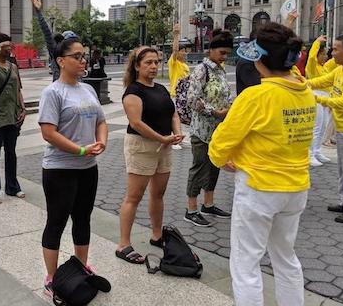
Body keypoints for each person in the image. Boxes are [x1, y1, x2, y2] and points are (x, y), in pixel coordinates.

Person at [208, 22, 316, 306]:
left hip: (259, 188)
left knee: (246, 264)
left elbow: (220, 142)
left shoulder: (255, 96)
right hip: (296, 189)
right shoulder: (305, 92)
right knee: (286, 257)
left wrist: (222, 159)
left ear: (258, 58)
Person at [38, 38, 108, 296]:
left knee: (83, 218)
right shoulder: (53, 92)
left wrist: (101, 141)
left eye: (84, 56)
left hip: (88, 167)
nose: (83, 60)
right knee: (56, 221)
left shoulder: (87, 89)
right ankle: (52, 277)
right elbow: (48, 132)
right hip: (60, 169)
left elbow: (101, 120)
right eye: (77, 56)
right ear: (60, 61)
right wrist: (79, 149)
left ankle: (81, 266)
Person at [115, 46, 184, 264]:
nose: (154, 66)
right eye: (148, 63)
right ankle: (123, 244)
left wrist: (177, 132)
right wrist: (162, 138)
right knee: (134, 196)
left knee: (158, 193)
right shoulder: (133, 92)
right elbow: (136, 122)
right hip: (142, 146)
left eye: (156, 62)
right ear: (137, 66)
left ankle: (157, 235)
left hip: (164, 145)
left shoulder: (161, 89)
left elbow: (173, 113)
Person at [184, 29, 233, 227]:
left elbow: (226, 94)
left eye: (227, 53)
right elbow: (193, 99)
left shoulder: (220, 70)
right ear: (211, 50)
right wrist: (215, 112)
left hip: (218, 130)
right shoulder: (201, 70)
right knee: (199, 166)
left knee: (214, 166)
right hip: (202, 129)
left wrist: (229, 108)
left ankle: (209, 203)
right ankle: (191, 208)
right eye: (222, 52)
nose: (224, 57)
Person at [308, 34, 343, 224]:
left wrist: (318, 99)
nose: (331, 53)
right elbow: (321, 81)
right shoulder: (341, 70)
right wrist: (301, 83)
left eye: (336, 49)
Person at [0, 33, 26, 204]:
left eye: (10, 45)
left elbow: (18, 89)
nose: (10, 49)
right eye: (7, 46)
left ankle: (12, 187)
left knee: (11, 152)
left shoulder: (13, 67)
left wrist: (22, 108)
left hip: (12, 114)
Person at [30, 0, 78, 81]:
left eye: (74, 41)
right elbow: (47, 32)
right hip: (60, 90)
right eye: (70, 41)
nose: (72, 44)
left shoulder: (77, 55)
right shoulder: (56, 51)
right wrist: (38, 11)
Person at [305, 35, 332, 167]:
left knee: (323, 126)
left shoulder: (325, 67)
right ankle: (310, 154)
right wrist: (317, 42)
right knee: (316, 126)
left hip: (326, 97)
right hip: (316, 95)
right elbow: (311, 57)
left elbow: (337, 63)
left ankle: (317, 151)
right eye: (323, 54)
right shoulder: (312, 66)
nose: (326, 57)